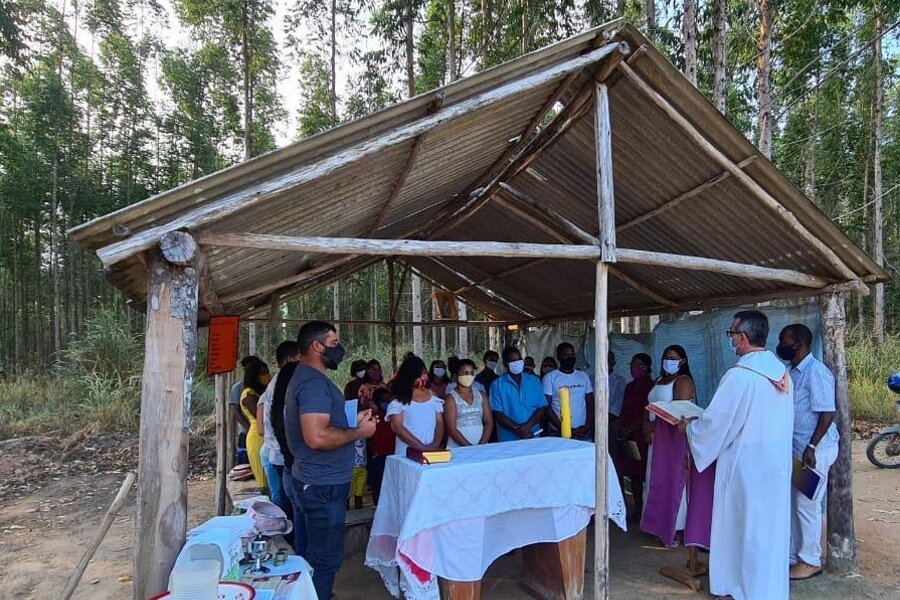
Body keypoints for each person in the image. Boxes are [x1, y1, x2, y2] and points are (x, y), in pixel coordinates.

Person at [680, 310, 793, 600]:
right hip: (775, 466)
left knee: (742, 529)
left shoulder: (740, 376)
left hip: (746, 468)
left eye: (731, 334)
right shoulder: (781, 373)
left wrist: (691, 429)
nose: (731, 339)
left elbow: (716, 423)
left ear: (741, 338)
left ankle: (737, 586)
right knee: (769, 530)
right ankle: (768, 590)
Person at [285, 321, 377, 599]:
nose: (339, 349)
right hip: (322, 484)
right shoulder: (312, 383)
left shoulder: (308, 378)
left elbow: (320, 427)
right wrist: (359, 432)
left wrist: (352, 423)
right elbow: (316, 437)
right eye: (334, 343)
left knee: (317, 554)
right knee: (325, 559)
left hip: (316, 479)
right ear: (317, 346)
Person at [777, 323, 838, 581]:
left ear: (798, 345)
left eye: (784, 341)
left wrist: (812, 447)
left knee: (807, 506)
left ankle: (811, 560)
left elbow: (827, 412)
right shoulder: (793, 372)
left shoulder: (816, 372)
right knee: (793, 504)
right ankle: (793, 556)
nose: (780, 346)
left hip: (813, 452)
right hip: (797, 451)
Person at [258, 341, 301, 530]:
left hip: (275, 452)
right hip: (287, 455)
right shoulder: (289, 383)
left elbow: (261, 426)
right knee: (293, 507)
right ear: (292, 359)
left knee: (286, 502)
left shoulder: (271, 387)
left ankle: (289, 540)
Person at [616, 353, 654, 522]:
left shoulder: (651, 387)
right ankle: (637, 509)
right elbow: (624, 408)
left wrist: (632, 428)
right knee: (632, 475)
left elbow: (647, 411)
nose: (634, 368)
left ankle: (649, 510)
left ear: (647, 368)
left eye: (639, 365)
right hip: (628, 435)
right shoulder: (629, 387)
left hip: (642, 435)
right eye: (632, 364)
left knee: (645, 472)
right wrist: (623, 428)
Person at [387, 356, 445, 456]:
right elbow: (397, 428)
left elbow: (440, 423)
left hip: (432, 451)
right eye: (421, 374)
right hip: (407, 453)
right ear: (410, 376)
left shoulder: (433, 396)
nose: (425, 377)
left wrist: (435, 444)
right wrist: (420, 447)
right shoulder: (398, 401)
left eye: (425, 373)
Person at [490, 346, 547, 441]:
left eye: (519, 359)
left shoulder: (534, 381)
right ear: (505, 364)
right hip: (508, 439)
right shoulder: (497, 385)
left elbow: (541, 407)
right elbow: (497, 413)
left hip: (533, 434)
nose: (517, 362)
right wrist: (518, 429)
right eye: (513, 360)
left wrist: (528, 427)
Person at [543, 342, 594, 440]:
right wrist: (563, 428)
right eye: (566, 355)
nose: (570, 357)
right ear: (559, 357)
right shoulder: (550, 378)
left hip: (582, 430)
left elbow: (590, 403)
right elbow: (546, 407)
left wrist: (587, 426)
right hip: (558, 431)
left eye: (572, 354)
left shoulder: (583, 376)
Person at [444, 359, 494, 447]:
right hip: (458, 447)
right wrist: (468, 447)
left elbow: (489, 422)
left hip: (481, 445)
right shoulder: (450, 398)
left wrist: (482, 443)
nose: (469, 376)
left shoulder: (482, 395)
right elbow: (452, 429)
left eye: (471, 373)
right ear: (456, 376)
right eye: (465, 373)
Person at [241, 359, 271, 491]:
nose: (267, 376)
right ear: (255, 376)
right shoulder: (249, 395)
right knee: (264, 481)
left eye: (267, 372)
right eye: (263, 373)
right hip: (257, 438)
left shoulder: (260, 392)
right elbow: (262, 418)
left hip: (264, 436)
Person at [364, 387, 396, 504]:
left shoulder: (394, 414)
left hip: (392, 454)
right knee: (378, 486)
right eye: (384, 400)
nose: (387, 403)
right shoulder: (374, 416)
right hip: (378, 456)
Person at [229, 355, 259, 464]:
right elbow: (236, 412)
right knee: (245, 464)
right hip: (246, 431)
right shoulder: (238, 388)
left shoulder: (262, 387)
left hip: (263, 432)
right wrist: (250, 427)